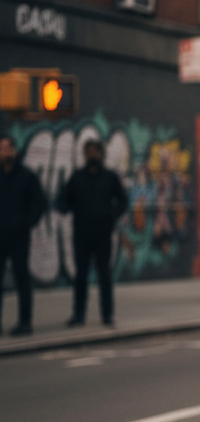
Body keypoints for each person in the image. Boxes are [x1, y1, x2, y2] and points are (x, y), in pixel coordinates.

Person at [59, 138, 128, 327]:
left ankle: (107, 314)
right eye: (89, 151)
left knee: (104, 275)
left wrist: (111, 215)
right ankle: (79, 314)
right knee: (81, 275)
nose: (92, 155)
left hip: (103, 233)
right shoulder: (77, 177)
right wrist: (66, 208)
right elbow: (64, 199)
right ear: (84, 154)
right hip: (81, 233)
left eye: (95, 151)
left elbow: (123, 201)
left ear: (100, 154)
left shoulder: (109, 177)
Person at [0, 135, 47, 335]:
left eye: (7, 148)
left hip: (19, 236)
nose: (4, 153)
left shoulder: (26, 176)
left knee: (22, 279)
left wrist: (27, 223)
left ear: (14, 151)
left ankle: (25, 322)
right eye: (1, 149)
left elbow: (40, 203)